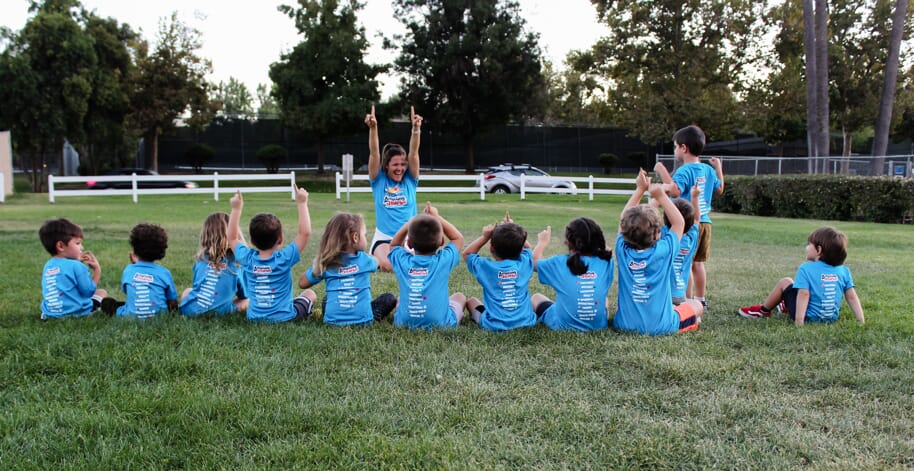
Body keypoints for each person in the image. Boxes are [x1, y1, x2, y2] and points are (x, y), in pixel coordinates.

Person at [613, 169, 703, 335]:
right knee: (697, 305)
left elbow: (623, 218)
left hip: (624, 324)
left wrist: (640, 190)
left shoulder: (621, 250)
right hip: (662, 326)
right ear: (657, 234)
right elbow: (679, 224)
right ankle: (691, 321)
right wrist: (661, 196)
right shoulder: (664, 250)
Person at [654, 125, 724, 308]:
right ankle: (700, 299)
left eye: (676, 146)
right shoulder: (708, 170)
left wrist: (661, 171)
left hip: (687, 225)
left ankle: (687, 299)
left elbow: (675, 192)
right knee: (699, 263)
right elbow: (720, 189)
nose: (675, 150)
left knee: (686, 263)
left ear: (684, 148)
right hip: (705, 223)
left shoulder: (684, 171)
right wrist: (718, 168)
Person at [738, 226, 865, 326]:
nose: (806, 247)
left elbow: (804, 295)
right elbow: (852, 297)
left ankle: (763, 310)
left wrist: (799, 323)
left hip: (808, 317)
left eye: (809, 244)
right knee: (798, 289)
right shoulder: (843, 270)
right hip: (830, 318)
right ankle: (785, 303)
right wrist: (861, 321)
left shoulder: (806, 268)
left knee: (786, 282)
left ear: (819, 250)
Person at [228, 185, 314, 323]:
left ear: (251, 240)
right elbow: (305, 233)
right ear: (280, 239)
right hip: (285, 317)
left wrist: (236, 209)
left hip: (255, 318)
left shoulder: (247, 259)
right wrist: (302, 203)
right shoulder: (284, 258)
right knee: (310, 294)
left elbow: (232, 238)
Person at [298, 213, 397, 326]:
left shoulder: (326, 263)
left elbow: (302, 283)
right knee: (389, 298)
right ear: (355, 237)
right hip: (363, 320)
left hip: (332, 322)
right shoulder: (365, 260)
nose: (365, 238)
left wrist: (318, 265)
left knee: (328, 299)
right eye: (364, 235)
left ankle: (335, 311)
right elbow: (378, 262)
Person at [388, 202, 466, 330]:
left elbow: (393, 245)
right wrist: (437, 216)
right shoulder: (443, 261)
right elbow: (458, 238)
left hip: (403, 323)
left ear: (409, 243)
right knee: (459, 297)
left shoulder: (403, 262)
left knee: (402, 300)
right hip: (441, 324)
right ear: (442, 241)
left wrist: (411, 222)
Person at [366, 104, 423, 272]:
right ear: (386, 165)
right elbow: (374, 153)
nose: (400, 168)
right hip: (384, 239)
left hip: (410, 238)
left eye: (402, 164)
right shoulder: (379, 180)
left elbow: (413, 153)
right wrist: (373, 128)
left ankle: (374, 259)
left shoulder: (410, 180)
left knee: (417, 265)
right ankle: (369, 257)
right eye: (395, 164)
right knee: (389, 266)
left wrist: (415, 130)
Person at [531, 217, 614, 332]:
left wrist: (542, 242)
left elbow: (533, 262)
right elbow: (607, 250)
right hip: (598, 326)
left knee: (536, 297)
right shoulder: (606, 262)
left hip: (563, 326)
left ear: (569, 242)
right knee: (604, 300)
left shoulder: (559, 263)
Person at [464, 212, 537, 332]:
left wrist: (485, 237)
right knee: (533, 300)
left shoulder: (486, 267)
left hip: (493, 325)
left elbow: (467, 254)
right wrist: (513, 231)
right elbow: (528, 248)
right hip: (526, 322)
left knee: (471, 301)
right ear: (521, 248)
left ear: (491, 248)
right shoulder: (524, 264)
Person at [179, 212, 249, 317]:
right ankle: (219, 306)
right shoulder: (236, 264)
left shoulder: (201, 260)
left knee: (188, 291)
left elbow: (197, 287)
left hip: (189, 310)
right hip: (218, 313)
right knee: (249, 300)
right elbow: (244, 295)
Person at [38, 218, 108, 319]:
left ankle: (52, 311)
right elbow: (88, 292)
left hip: (50, 315)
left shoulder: (48, 265)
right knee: (102, 292)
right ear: (61, 246)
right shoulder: (77, 266)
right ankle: (87, 312)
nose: (82, 248)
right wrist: (97, 270)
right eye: (78, 243)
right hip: (75, 313)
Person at [106, 223, 179, 318]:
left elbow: (128, 291)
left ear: (134, 248)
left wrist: (135, 266)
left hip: (130, 317)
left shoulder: (129, 270)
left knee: (109, 304)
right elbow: (172, 300)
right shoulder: (164, 273)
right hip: (159, 316)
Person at [652, 185, 701, 305]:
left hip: (664, 295)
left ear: (665, 219)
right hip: (680, 295)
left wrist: (660, 196)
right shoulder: (691, 237)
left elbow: (650, 214)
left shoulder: (664, 235)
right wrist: (694, 198)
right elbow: (697, 219)